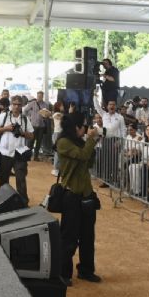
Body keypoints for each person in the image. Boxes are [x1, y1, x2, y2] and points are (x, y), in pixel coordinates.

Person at [55, 112, 102, 286]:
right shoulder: (63, 142)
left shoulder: (80, 142)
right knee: (69, 237)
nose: (87, 128)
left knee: (88, 236)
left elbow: (89, 162)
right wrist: (90, 140)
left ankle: (86, 270)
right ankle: (63, 273)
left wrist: (91, 142)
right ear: (76, 127)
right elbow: (82, 156)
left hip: (86, 194)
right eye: (83, 125)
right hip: (71, 195)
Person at [0, 96, 34, 204]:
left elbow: (31, 136)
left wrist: (22, 133)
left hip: (19, 153)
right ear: (11, 105)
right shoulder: (4, 116)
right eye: (14, 104)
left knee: (21, 179)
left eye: (19, 104)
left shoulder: (25, 119)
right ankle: (2, 201)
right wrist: (6, 128)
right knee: (4, 179)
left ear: (22, 106)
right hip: (5, 152)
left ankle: (23, 203)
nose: (16, 106)